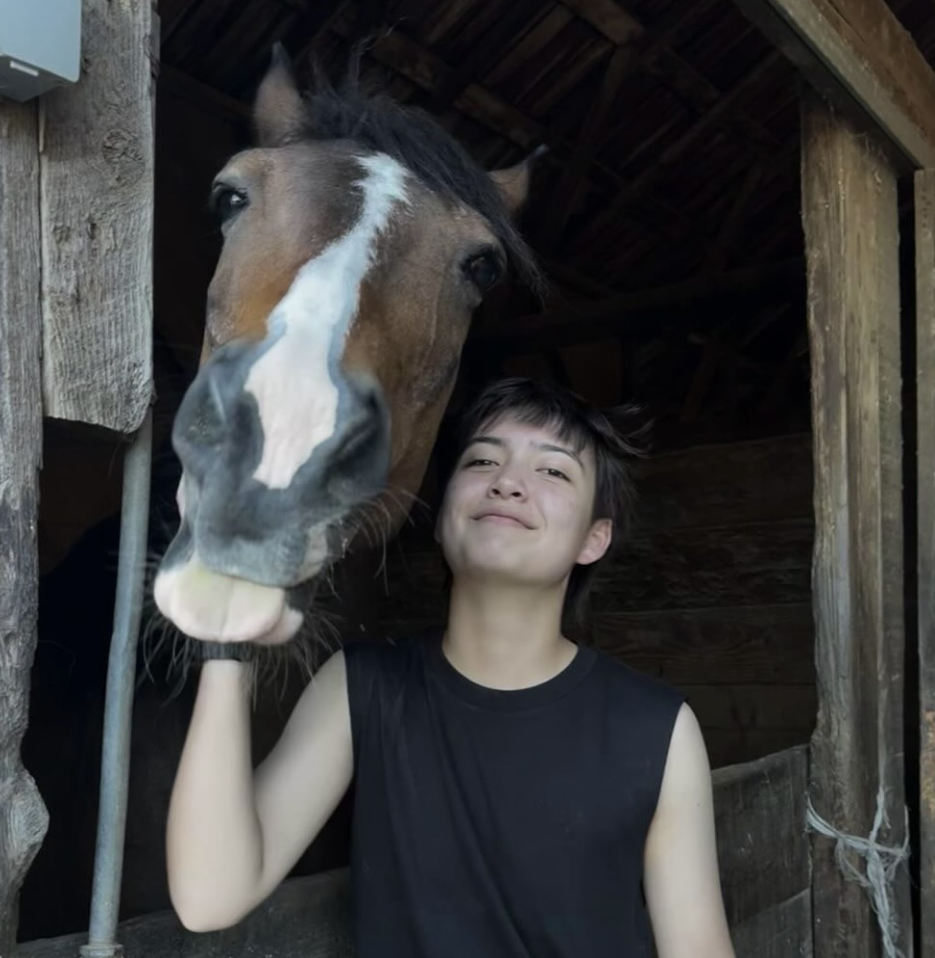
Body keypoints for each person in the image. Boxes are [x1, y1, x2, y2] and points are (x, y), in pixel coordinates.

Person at [166, 377, 736, 958]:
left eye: (553, 471)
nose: (508, 483)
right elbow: (210, 896)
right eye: (483, 460)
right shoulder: (362, 688)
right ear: (441, 520)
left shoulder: (656, 729)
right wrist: (224, 642)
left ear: (594, 539)